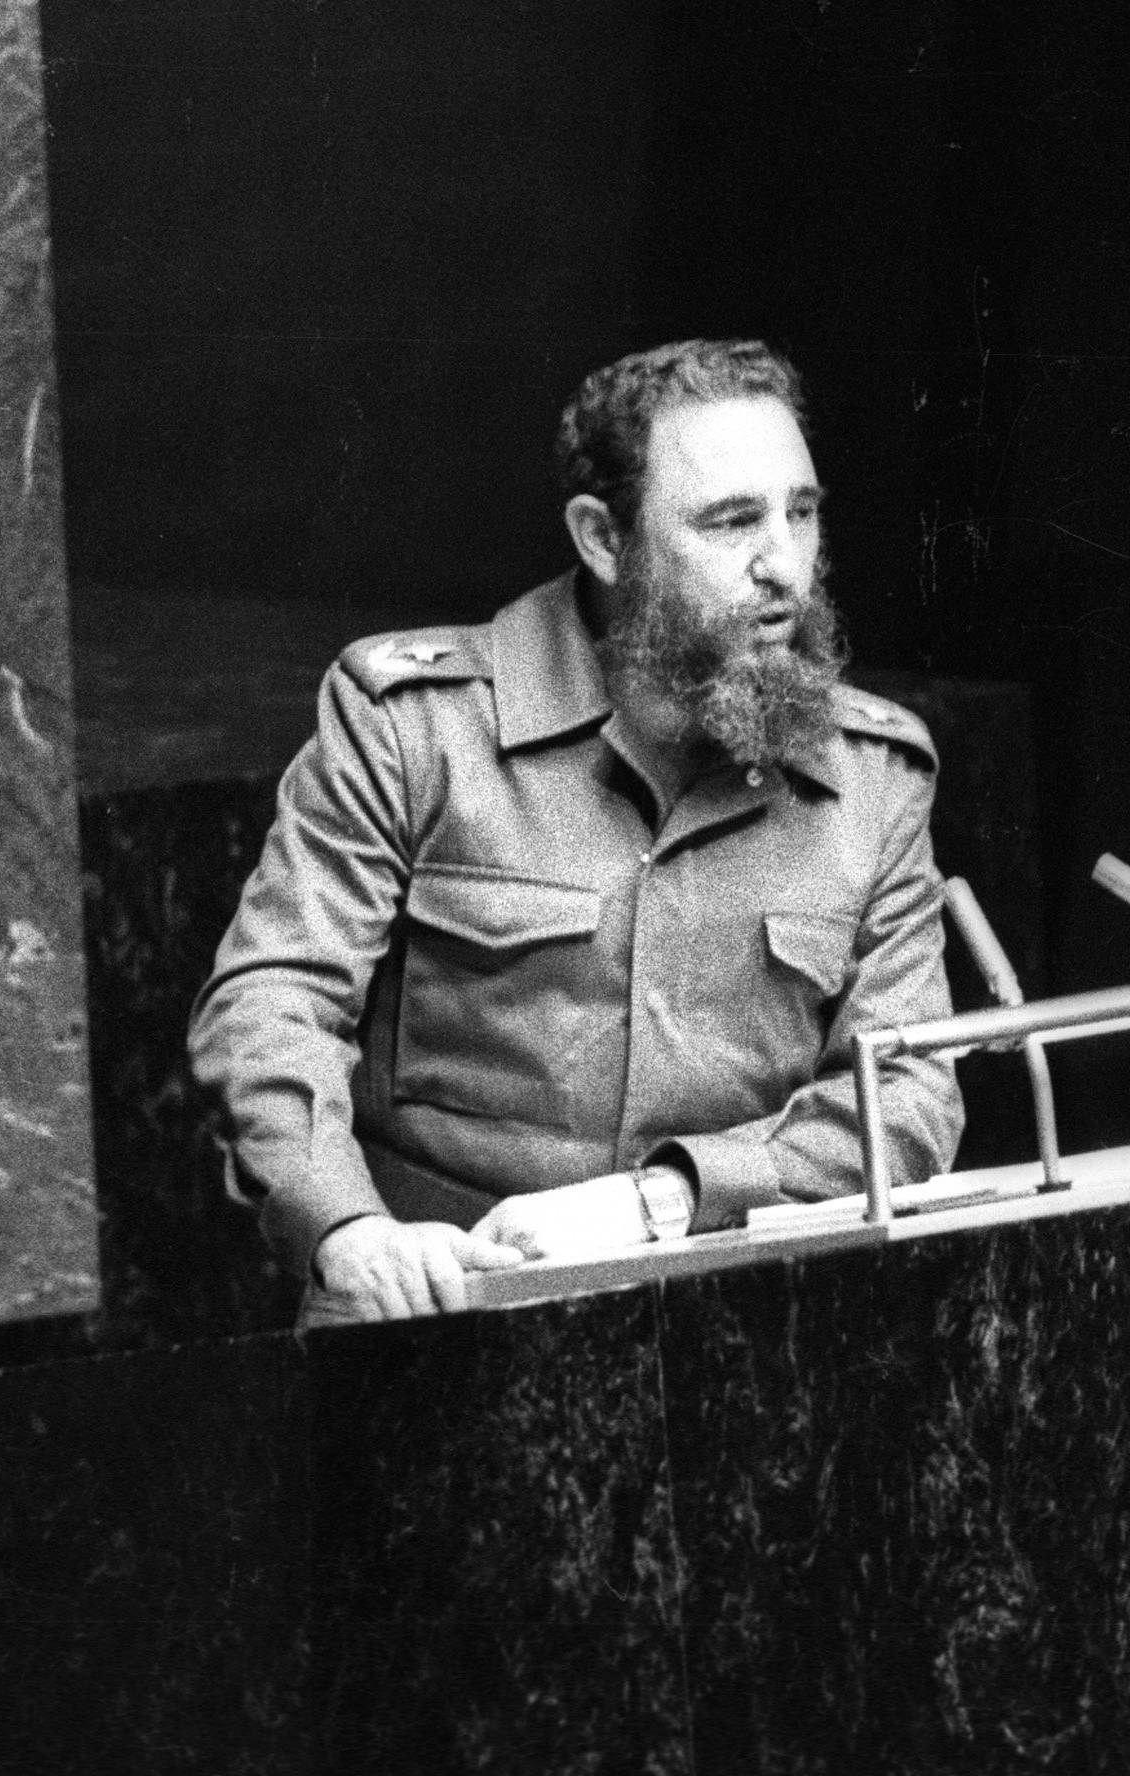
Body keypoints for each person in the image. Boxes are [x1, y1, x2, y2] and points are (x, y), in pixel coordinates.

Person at [189, 338, 963, 1323]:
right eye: (731, 521)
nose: (785, 567)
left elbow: (906, 1097)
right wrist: (346, 1228)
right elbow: (269, 1003)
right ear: (603, 538)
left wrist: (665, 1200)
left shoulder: (873, 778)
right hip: (439, 1313)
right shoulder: (417, 725)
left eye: (801, 514)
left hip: (752, 1323)